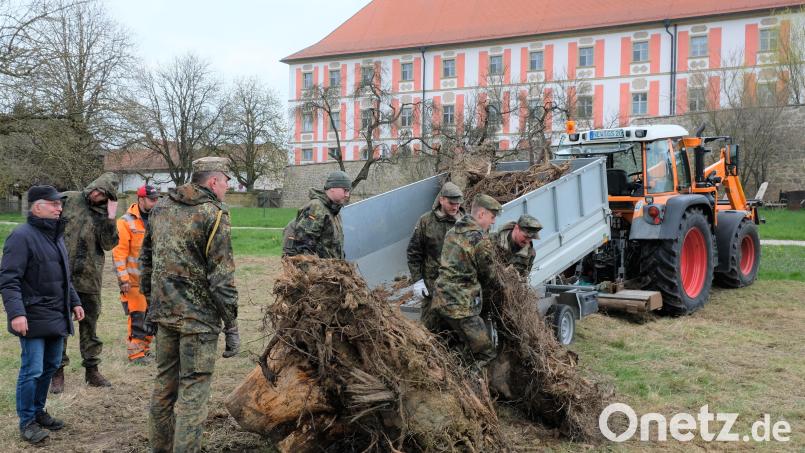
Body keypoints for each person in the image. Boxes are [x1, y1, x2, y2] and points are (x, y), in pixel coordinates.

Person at [140, 156, 240, 453]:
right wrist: (231, 324)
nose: (228, 186)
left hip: (164, 314)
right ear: (213, 181)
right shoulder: (214, 214)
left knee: (164, 388)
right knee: (194, 394)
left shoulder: (160, 208)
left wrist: (150, 304)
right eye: (226, 181)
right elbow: (222, 279)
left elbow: (146, 261)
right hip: (198, 322)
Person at [0, 186, 85, 444]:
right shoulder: (21, 236)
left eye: (60, 204)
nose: (59, 208)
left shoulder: (55, 236)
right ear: (37, 206)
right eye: (54, 204)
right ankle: (27, 421)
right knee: (32, 369)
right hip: (32, 315)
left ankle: (39, 411)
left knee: (50, 366)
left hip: (56, 314)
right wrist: (16, 313)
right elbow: (8, 279)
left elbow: (63, 276)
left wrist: (74, 301)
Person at [52, 173, 119, 393]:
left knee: (90, 325)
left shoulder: (104, 214)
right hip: (62, 275)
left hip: (89, 278)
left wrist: (110, 219)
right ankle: (57, 372)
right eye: (96, 189)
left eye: (102, 194)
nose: (96, 194)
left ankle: (92, 370)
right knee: (60, 325)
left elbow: (109, 245)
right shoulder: (68, 200)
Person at [432, 194, 502, 366]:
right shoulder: (479, 239)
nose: (493, 222)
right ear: (481, 215)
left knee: (457, 344)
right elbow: (489, 276)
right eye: (492, 217)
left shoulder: (452, 231)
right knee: (487, 353)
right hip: (461, 307)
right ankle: (471, 386)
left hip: (441, 300)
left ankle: (456, 369)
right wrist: (504, 288)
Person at [406, 182, 465, 330]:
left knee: (457, 334)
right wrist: (417, 280)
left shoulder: (466, 223)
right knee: (429, 332)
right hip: (432, 289)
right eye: (451, 203)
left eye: (458, 204)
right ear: (441, 200)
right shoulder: (426, 221)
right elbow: (414, 253)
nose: (455, 207)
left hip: (459, 291)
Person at [113, 184, 159, 364]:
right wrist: (123, 279)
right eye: (151, 199)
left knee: (151, 316)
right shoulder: (125, 222)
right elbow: (119, 254)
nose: (155, 203)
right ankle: (136, 354)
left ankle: (144, 349)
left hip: (154, 281)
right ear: (140, 199)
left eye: (157, 199)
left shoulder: (158, 219)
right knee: (138, 318)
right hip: (133, 283)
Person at [283, 170, 352, 259]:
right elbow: (303, 247)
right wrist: (312, 271)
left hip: (331, 270)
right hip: (318, 271)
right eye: (345, 190)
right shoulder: (316, 208)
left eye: (348, 191)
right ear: (332, 188)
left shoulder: (334, 211)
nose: (347, 195)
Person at [490, 214, 542, 278]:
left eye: (530, 238)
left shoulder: (530, 254)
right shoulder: (492, 240)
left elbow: (523, 279)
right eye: (525, 237)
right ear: (516, 228)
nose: (527, 241)